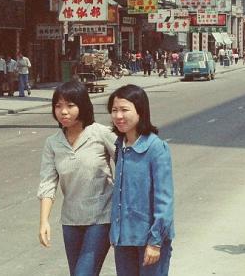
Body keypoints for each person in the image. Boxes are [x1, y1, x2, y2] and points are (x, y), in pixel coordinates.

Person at [37, 81, 117, 276]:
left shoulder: (100, 133)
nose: (64, 112)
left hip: (101, 217)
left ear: (83, 106)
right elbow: (48, 183)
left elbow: (128, 166)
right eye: (58, 106)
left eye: (70, 106)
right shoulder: (53, 143)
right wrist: (44, 221)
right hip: (71, 221)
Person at [107, 84, 174, 276]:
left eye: (124, 110)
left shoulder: (155, 148)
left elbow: (164, 200)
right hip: (124, 240)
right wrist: (115, 232)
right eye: (114, 110)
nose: (118, 116)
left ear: (140, 112)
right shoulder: (121, 145)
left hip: (149, 241)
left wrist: (155, 242)